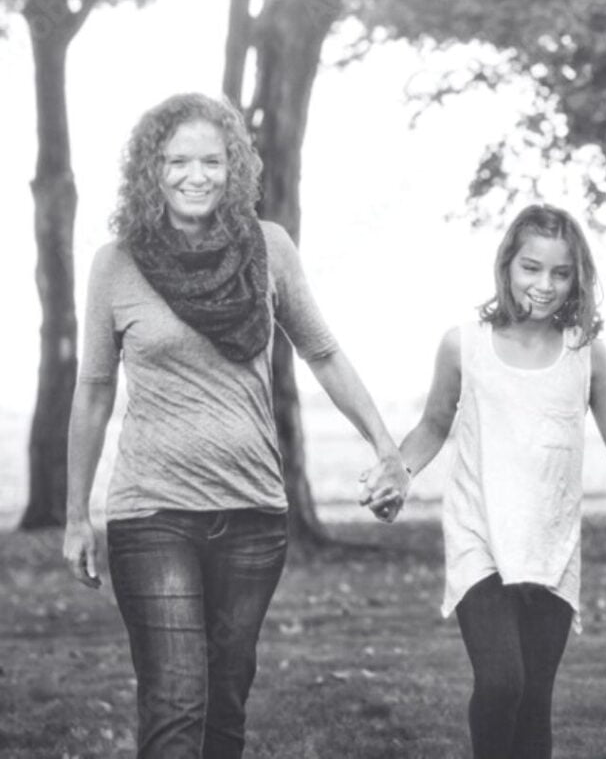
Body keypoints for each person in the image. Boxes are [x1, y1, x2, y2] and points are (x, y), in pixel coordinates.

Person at [62, 93, 409, 758]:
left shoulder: (268, 248)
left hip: (253, 515)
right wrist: (76, 515)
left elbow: (323, 352)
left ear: (234, 168)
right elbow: (94, 388)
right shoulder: (116, 263)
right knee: (175, 700)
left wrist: (385, 446)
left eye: (212, 161)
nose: (195, 176)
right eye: (177, 161)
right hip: (152, 512)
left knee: (224, 705)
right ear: (151, 170)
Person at [391, 203, 606, 759]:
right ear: (507, 264)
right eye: (531, 268)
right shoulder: (464, 344)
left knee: (534, 700)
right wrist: (397, 474)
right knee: (502, 682)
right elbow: (432, 426)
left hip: (552, 546)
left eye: (560, 273)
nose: (544, 285)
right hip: (480, 539)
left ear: (577, 278)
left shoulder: (586, 353)